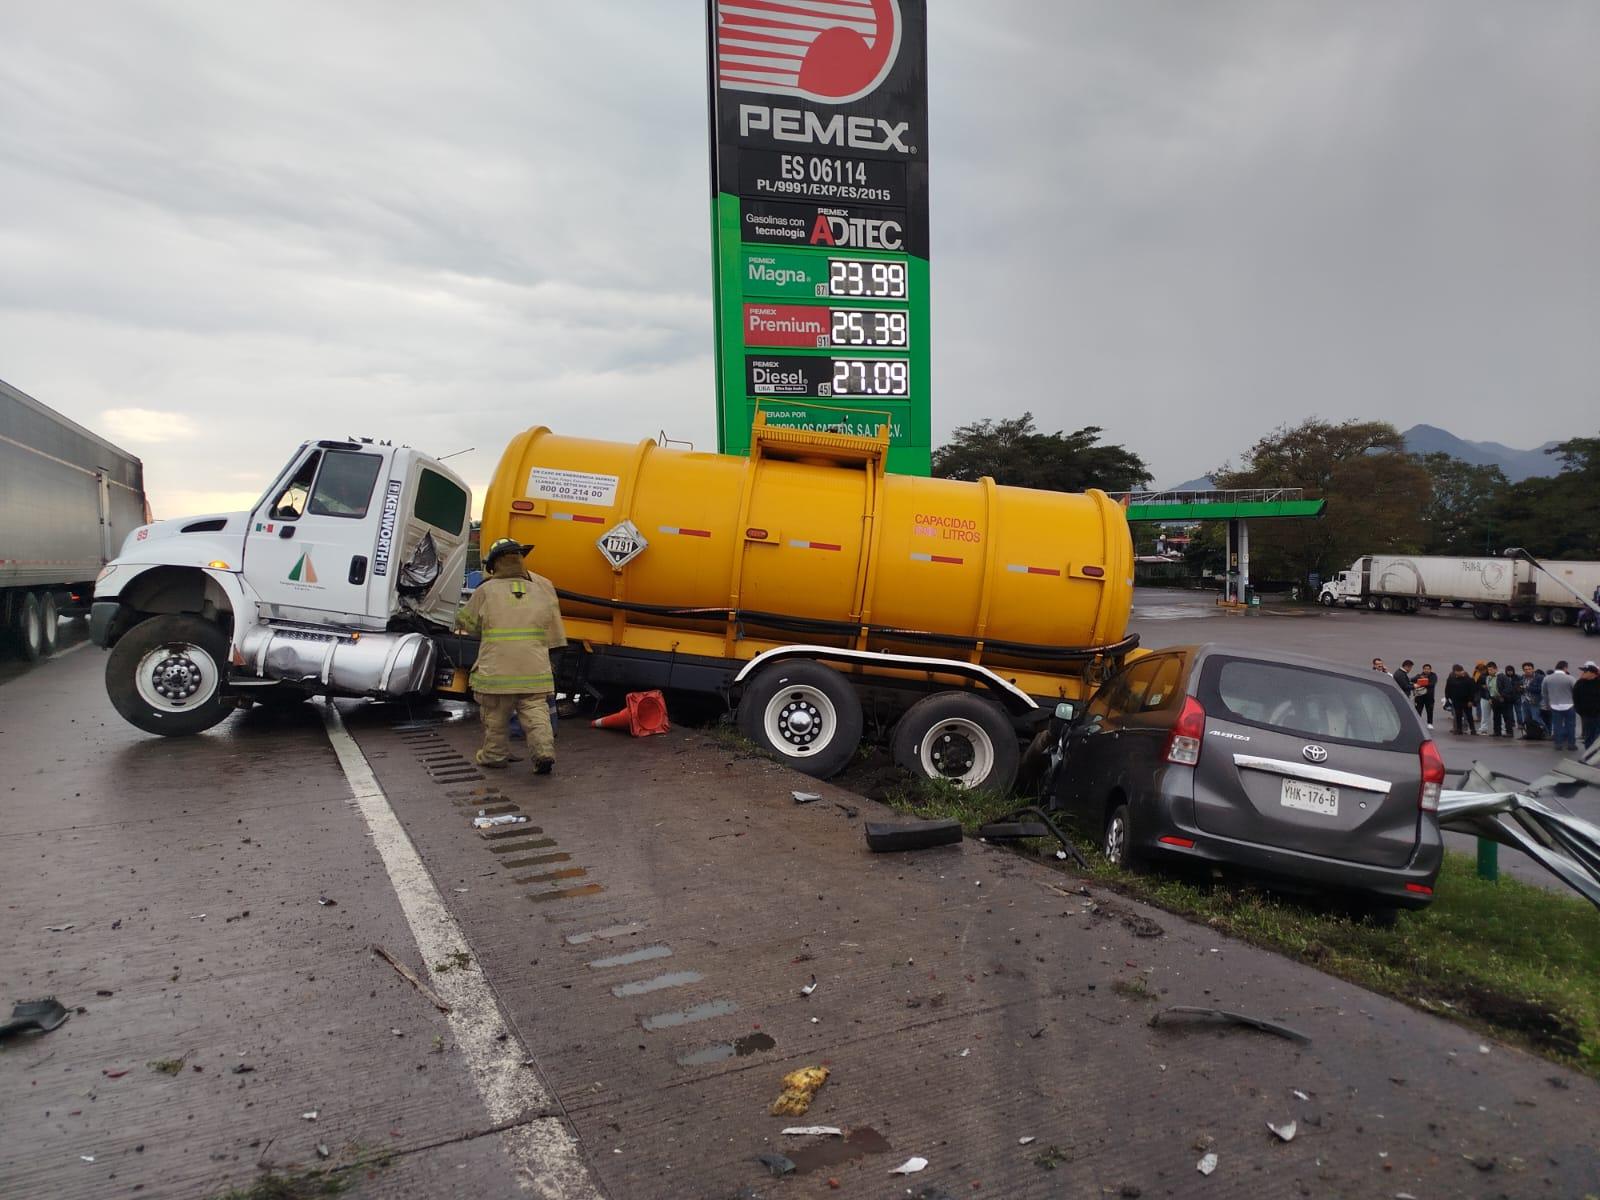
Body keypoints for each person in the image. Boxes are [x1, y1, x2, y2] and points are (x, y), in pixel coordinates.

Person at [455, 537, 567, 774]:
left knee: (495, 717)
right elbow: (553, 628)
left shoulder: (486, 590)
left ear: (494, 564)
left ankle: (494, 756)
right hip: (534, 669)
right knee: (537, 713)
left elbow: (468, 624)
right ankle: (543, 753)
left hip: (496, 673)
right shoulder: (541, 589)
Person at [1543, 661, 1577, 752]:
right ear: (1565, 668)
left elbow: (1545, 694)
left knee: (1557, 726)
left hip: (1554, 705)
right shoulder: (1570, 678)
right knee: (1570, 725)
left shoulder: (1547, 679)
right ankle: (1571, 744)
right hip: (1569, 705)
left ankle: (1558, 744)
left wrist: (1547, 705)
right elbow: (1576, 692)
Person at [1443, 664, 1476, 736]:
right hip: (1456, 701)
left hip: (1467, 701)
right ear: (1455, 672)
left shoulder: (1469, 680)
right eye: (1459, 671)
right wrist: (1447, 698)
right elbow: (1447, 689)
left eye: (1461, 671)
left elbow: (1472, 691)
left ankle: (1473, 730)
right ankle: (1459, 730)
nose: (1461, 672)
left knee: (1469, 716)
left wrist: (1471, 701)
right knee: (1458, 715)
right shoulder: (1451, 679)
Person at [1573, 661, 1600, 750]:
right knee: (1589, 736)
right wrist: (1581, 711)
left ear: (1593, 673)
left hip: (1598, 715)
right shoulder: (1580, 683)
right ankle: (1588, 754)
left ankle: (1594, 753)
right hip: (1587, 715)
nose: (1582, 673)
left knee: (1596, 736)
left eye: (1585, 671)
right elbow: (1575, 698)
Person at [1518, 662, 1546, 739]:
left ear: (1533, 669)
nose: (1527, 671)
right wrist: (1519, 689)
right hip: (1525, 701)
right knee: (1527, 719)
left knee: (1536, 718)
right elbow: (1520, 688)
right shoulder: (1522, 677)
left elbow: (1540, 690)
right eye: (1525, 669)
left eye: (1529, 669)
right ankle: (1529, 734)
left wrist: (1527, 688)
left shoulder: (1539, 677)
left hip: (1534, 701)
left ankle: (1545, 733)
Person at [1491, 663, 1520, 737]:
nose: (1490, 671)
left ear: (1496, 669)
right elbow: (1490, 689)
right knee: (1496, 717)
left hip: (1504, 699)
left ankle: (1509, 732)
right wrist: (1489, 698)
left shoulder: (1503, 677)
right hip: (1495, 699)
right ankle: (1497, 731)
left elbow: (1508, 688)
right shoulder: (1489, 678)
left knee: (1506, 717)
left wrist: (1502, 695)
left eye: (1491, 669)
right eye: (1488, 670)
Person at [1412, 663, 1437, 729]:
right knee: (1418, 710)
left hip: (1429, 697)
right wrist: (1420, 680)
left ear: (1430, 669)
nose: (1427, 670)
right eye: (1425, 669)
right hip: (1420, 696)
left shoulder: (1433, 676)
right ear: (1423, 669)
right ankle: (1418, 723)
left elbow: (1432, 684)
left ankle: (1430, 723)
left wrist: (1422, 682)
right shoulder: (1419, 675)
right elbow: (1412, 680)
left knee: (1429, 710)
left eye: (1428, 669)